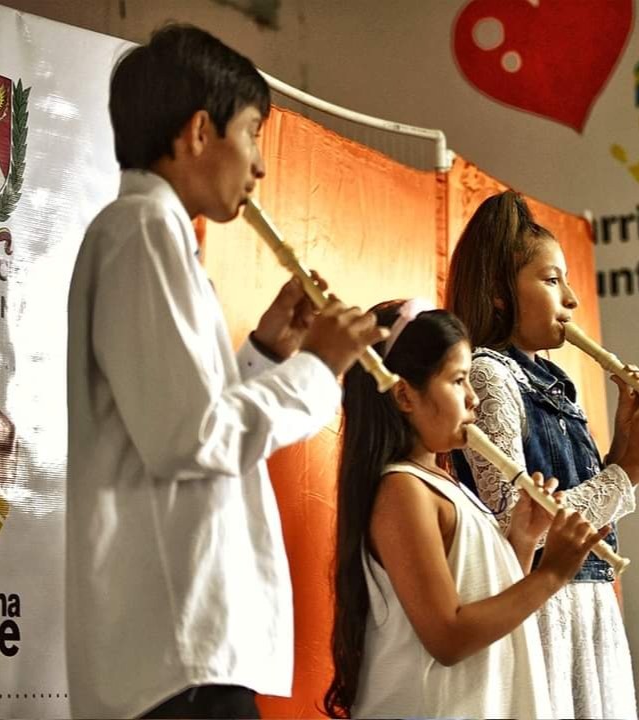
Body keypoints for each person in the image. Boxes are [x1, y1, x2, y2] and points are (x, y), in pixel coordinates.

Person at [66, 25, 384, 718]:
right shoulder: (144, 229)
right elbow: (189, 438)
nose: (260, 166)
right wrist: (319, 368)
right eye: (253, 132)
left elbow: (176, 421)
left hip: (180, 643)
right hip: (176, 644)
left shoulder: (152, 231)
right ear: (199, 133)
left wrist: (267, 354)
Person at [446, 191, 639, 718]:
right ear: (500, 294)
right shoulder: (489, 373)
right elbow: (515, 520)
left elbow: (585, 501)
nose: (571, 298)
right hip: (542, 608)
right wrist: (628, 471)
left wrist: (626, 443)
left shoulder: (553, 379)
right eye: (551, 281)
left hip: (589, 603)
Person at [325, 300, 604, 718]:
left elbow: (480, 599)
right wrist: (552, 574)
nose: (473, 399)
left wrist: (523, 542)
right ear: (404, 394)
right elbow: (448, 637)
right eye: (458, 381)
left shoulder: (442, 485)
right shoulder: (402, 490)